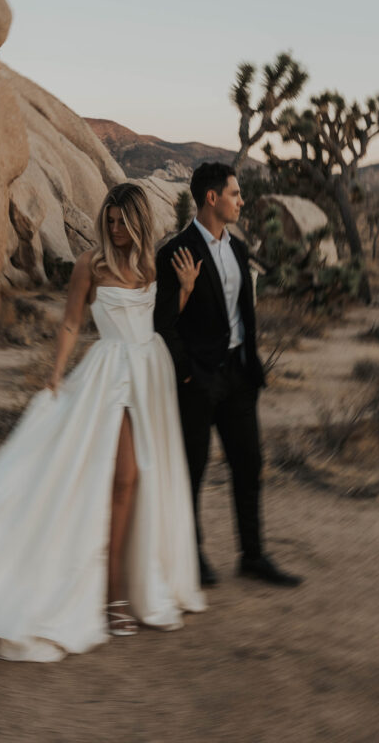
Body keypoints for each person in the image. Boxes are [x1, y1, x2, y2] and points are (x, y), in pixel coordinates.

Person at [0, 182, 205, 662]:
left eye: (122, 221)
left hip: (150, 373)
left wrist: (184, 292)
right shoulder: (89, 266)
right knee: (124, 476)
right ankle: (112, 593)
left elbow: (159, 322)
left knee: (146, 480)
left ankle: (132, 583)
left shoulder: (150, 266)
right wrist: (54, 376)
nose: (114, 229)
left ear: (138, 221)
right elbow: (73, 323)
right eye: (110, 220)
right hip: (111, 373)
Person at [155, 162, 302, 588]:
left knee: (248, 464)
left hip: (238, 376)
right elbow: (163, 324)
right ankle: (192, 554)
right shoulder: (176, 252)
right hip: (198, 381)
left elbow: (244, 312)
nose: (241, 201)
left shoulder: (238, 248)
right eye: (235, 194)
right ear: (212, 198)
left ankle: (252, 556)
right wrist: (186, 374)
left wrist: (252, 365)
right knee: (192, 471)